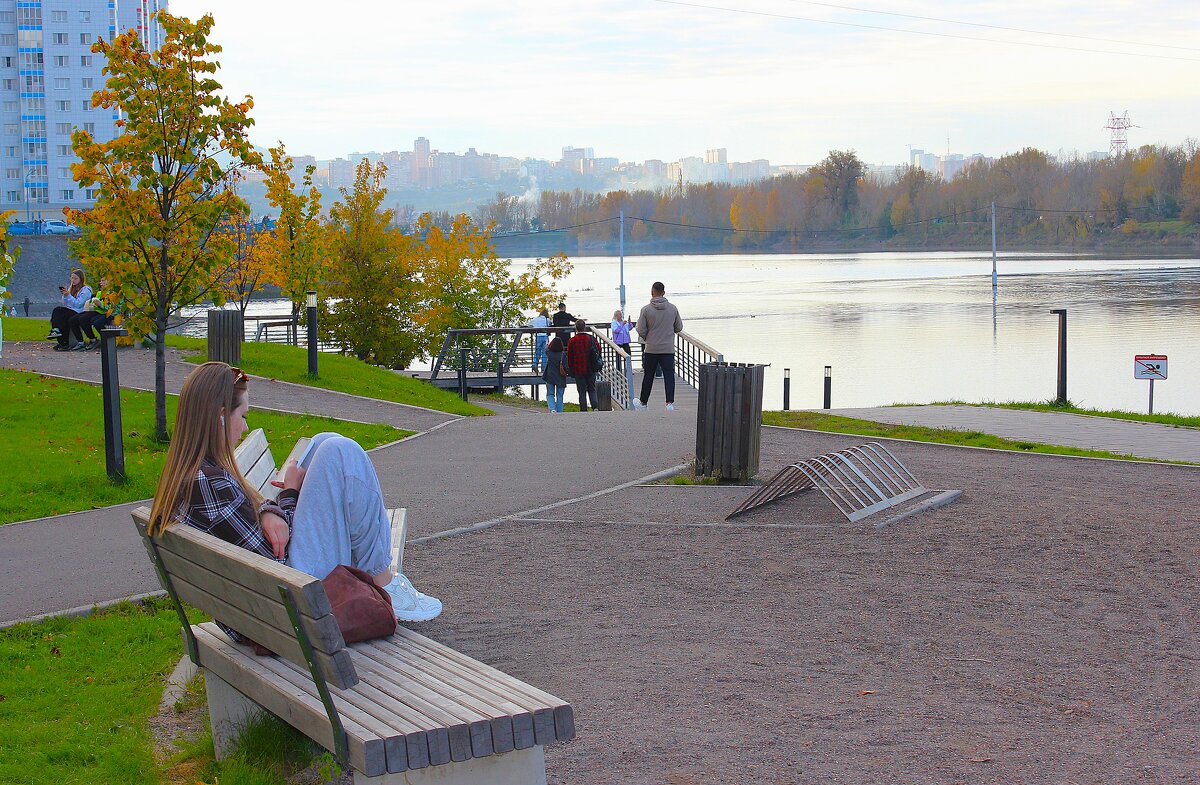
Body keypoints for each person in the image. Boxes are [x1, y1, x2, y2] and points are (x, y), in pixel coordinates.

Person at [146, 362, 442, 628]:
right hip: (288, 604)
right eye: (243, 416)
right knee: (340, 451)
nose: (246, 427)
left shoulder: (198, 474)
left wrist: (268, 510)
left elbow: (261, 542)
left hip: (262, 600)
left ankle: (378, 578)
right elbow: (274, 556)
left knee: (323, 441)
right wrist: (289, 493)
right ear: (221, 417)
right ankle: (382, 583)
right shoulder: (209, 482)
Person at [634, 281, 683, 411]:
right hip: (668, 348)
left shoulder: (645, 310)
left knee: (648, 375)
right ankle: (669, 403)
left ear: (652, 292)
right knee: (669, 375)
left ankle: (643, 402)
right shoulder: (673, 309)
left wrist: (647, 337)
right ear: (664, 292)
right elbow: (679, 327)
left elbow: (640, 329)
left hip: (651, 348)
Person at [67, 277, 120, 351]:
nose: (101, 283)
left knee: (92, 321)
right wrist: (93, 303)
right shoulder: (100, 292)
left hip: (109, 313)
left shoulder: (114, 293)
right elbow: (94, 304)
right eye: (100, 280)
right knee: (73, 320)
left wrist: (100, 305)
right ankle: (81, 342)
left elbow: (112, 309)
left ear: (110, 281)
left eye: (103, 280)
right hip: (98, 311)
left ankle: (104, 340)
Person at [48, 269, 93, 351]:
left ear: (81, 279)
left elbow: (78, 304)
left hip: (80, 312)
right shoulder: (72, 288)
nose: (73, 280)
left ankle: (59, 336)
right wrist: (65, 296)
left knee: (60, 313)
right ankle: (61, 338)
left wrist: (68, 296)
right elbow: (65, 304)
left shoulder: (86, 290)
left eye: (75, 278)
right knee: (59, 315)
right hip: (71, 310)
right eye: (72, 278)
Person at [566, 319, 599, 412]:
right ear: (584, 327)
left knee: (581, 391)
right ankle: (595, 406)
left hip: (578, 368)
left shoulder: (572, 340)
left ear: (576, 328)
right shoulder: (591, 339)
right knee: (592, 388)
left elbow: (570, 356)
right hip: (591, 367)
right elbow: (599, 349)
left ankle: (583, 409)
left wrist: (570, 368)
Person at [541, 334, 568, 413]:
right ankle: (560, 410)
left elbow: (546, 348)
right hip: (561, 377)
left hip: (550, 376)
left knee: (550, 394)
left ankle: (552, 408)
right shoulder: (562, 354)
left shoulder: (549, 352)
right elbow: (566, 366)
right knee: (560, 395)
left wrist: (547, 342)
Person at [529, 307, 550, 374]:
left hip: (538, 336)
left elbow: (529, 324)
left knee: (537, 351)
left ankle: (535, 364)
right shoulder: (547, 320)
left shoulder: (535, 319)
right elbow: (550, 325)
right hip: (545, 337)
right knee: (545, 353)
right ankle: (544, 368)